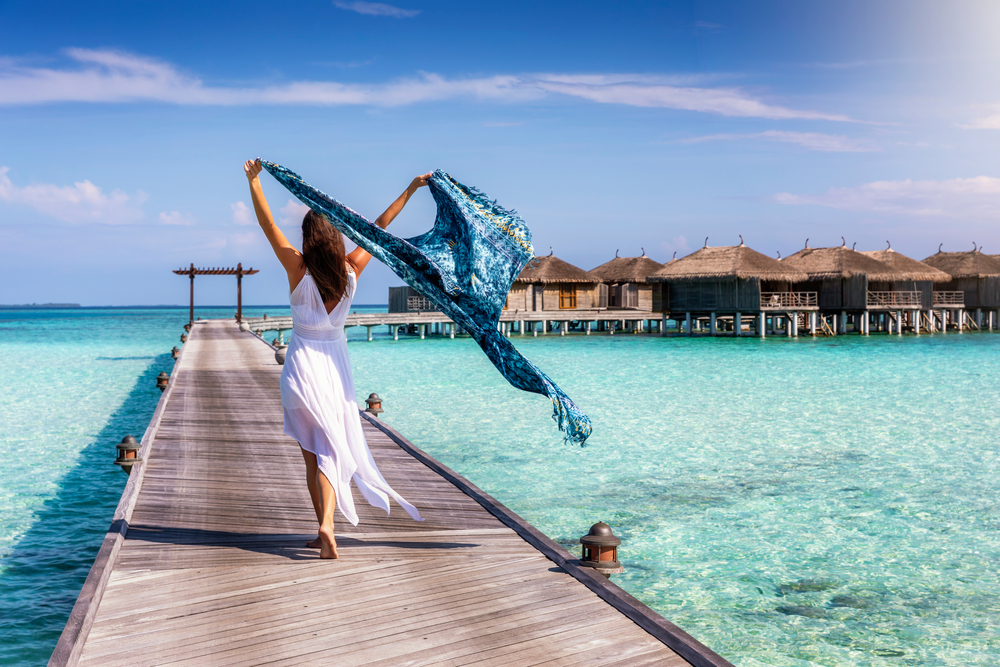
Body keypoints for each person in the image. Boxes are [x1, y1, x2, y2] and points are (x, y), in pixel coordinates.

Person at [244, 158, 427, 559]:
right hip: (334, 371)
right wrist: (411, 190)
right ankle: (325, 526)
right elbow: (379, 229)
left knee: (313, 454)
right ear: (337, 237)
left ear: (308, 238)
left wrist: (254, 182)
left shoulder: (297, 268)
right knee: (328, 448)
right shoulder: (351, 271)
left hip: (300, 370)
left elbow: (267, 225)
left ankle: (323, 526)